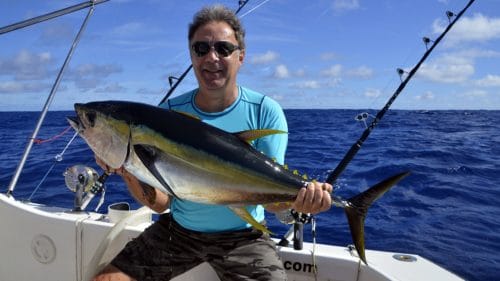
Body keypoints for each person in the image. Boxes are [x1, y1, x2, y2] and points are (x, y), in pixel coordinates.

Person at [93, 5, 332, 281]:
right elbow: (160, 205)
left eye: (223, 48)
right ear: (191, 56)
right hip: (178, 232)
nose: (212, 57)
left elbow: (272, 204)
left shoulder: (265, 111)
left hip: (244, 238)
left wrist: (301, 201)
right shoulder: (168, 113)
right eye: (201, 49)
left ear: (241, 56)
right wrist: (126, 169)